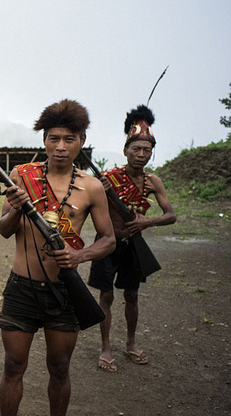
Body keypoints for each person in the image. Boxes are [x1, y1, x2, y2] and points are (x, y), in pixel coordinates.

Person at [0, 99, 116, 416]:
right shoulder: (21, 176)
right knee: (13, 365)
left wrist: (78, 256)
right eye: (54, 138)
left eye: (69, 139)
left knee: (60, 368)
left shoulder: (91, 187)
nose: (60, 147)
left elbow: (108, 240)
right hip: (21, 288)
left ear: (82, 141)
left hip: (64, 292)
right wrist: (18, 208)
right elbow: (5, 229)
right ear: (44, 139)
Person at [88, 105, 176, 372]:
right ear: (125, 150)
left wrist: (148, 221)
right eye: (135, 149)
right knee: (106, 297)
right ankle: (105, 348)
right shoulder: (108, 179)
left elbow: (170, 215)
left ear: (151, 153)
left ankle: (130, 343)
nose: (140, 155)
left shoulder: (153, 182)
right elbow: (91, 206)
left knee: (133, 295)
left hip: (133, 245)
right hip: (108, 243)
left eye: (145, 150)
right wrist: (100, 191)